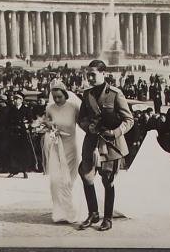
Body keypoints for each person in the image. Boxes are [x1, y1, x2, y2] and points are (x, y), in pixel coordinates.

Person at [77, 59, 134, 232]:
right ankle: (93, 213)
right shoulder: (87, 95)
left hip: (110, 143)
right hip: (92, 141)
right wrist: (88, 126)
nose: (90, 78)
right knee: (86, 175)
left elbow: (129, 120)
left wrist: (116, 132)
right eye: (88, 75)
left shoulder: (115, 94)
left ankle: (107, 218)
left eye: (93, 75)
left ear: (103, 74)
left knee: (107, 180)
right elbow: (81, 119)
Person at [42, 79, 81, 223]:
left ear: (66, 94)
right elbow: (48, 123)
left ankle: (71, 212)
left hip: (72, 147)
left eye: (59, 96)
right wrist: (49, 128)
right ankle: (59, 212)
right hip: (56, 147)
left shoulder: (73, 107)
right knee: (55, 180)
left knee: (69, 181)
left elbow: (82, 124)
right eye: (54, 97)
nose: (57, 99)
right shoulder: (50, 108)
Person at [6, 93, 34, 178]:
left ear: (21, 100)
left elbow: (30, 120)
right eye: (14, 99)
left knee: (24, 152)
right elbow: (7, 120)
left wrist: (28, 125)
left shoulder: (26, 109)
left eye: (16, 99)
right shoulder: (11, 110)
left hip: (23, 133)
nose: (14, 100)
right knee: (13, 152)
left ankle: (24, 170)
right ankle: (13, 170)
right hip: (14, 133)